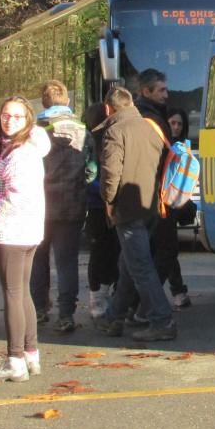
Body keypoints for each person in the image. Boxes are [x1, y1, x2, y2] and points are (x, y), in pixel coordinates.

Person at [94, 85, 177, 342]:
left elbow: (110, 175)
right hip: (151, 205)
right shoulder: (152, 127)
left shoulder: (114, 131)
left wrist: (108, 202)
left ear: (109, 108)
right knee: (130, 265)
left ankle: (162, 320)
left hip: (127, 209)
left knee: (139, 266)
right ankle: (113, 317)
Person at [0, 96, 50, 382]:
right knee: (21, 292)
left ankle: (15, 359)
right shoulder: (21, 149)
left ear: (28, 120)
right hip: (26, 229)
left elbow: (17, 195)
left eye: (17, 117)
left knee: (13, 294)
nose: (9, 120)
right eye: (5, 115)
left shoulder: (20, 153)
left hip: (12, 230)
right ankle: (30, 354)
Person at [30, 80, 91, 332]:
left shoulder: (35, 130)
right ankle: (66, 314)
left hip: (39, 204)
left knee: (37, 259)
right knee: (67, 262)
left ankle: (39, 309)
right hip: (73, 203)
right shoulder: (82, 129)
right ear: (67, 101)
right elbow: (91, 168)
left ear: (43, 103)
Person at [134, 69, 192, 310]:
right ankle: (146, 305)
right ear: (146, 91)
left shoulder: (153, 114)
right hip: (155, 197)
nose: (167, 94)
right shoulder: (149, 119)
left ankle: (131, 306)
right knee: (162, 251)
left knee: (150, 254)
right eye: (161, 90)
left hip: (156, 196)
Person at [84, 102, 119, 319]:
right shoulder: (102, 140)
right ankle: (101, 295)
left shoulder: (89, 140)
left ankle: (99, 296)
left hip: (96, 205)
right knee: (108, 251)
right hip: (104, 204)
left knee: (101, 252)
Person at [158, 107, 193, 308]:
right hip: (160, 205)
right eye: (173, 123)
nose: (176, 127)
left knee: (168, 251)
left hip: (172, 205)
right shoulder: (162, 145)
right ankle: (175, 291)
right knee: (166, 251)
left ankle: (177, 290)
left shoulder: (182, 147)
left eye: (180, 124)